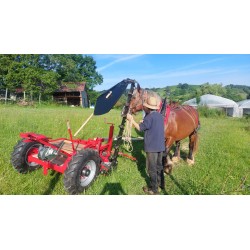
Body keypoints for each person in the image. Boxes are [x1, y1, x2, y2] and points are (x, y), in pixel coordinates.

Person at [127, 96, 165, 195]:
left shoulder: (149, 117)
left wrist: (131, 120)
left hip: (152, 147)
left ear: (147, 108)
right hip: (161, 146)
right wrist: (144, 122)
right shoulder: (160, 116)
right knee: (159, 166)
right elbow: (152, 125)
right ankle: (161, 183)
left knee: (151, 169)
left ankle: (154, 189)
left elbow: (140, 128)